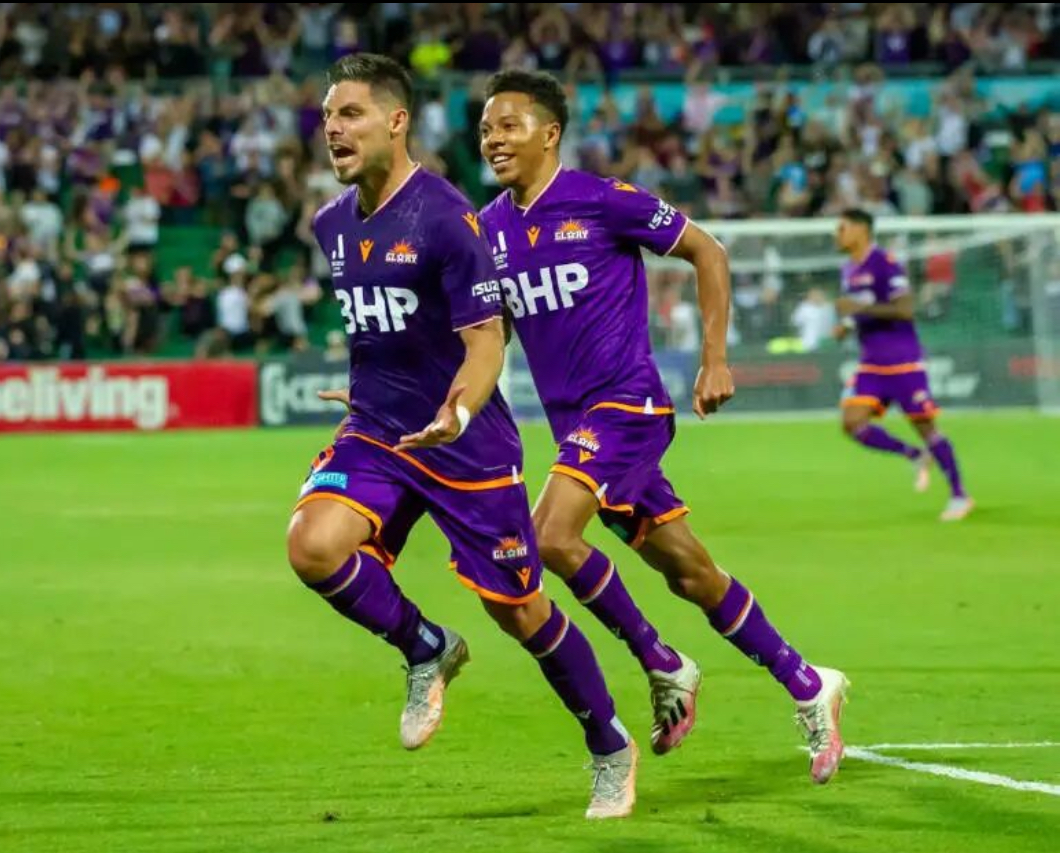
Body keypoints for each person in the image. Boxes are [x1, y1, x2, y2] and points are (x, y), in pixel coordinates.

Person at [288, 54, 638, 819]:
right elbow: (385, 333)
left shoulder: (447, 217)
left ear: (396, 121)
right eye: (328, 116)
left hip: (464, 443)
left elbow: (485, 341)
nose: (334, 129)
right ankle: (425, 646)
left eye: (350, 114)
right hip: (378, 432)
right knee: (312, 545)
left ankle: (610, 743)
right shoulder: (330, 223)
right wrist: (372, 389)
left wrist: (456, 412)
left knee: (520, 611)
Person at [475, 70, 849, 785]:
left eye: (509, 125)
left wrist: (715, 358)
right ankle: (809, 683)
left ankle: (661, 660)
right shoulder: (488, 230)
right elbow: (489, 337)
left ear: (550, 134)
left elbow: (708, 250)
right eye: (486, 128)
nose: (493, 139)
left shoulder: (603, 200)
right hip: (578, 432)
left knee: (549, 535)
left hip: (629, 407)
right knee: (691, 572)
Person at [834, 209, 972, 521]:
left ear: (861, 230)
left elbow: (905, 309)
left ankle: (959, 496)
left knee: (926, 427)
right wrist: (848, 324)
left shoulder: (886, 263)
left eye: (842, 228)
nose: (837, 235)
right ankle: (914, 455)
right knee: (852, 423)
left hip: (903, 361)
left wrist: (858, 308)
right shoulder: (848, 269)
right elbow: (864, 311)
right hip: (871, 363)